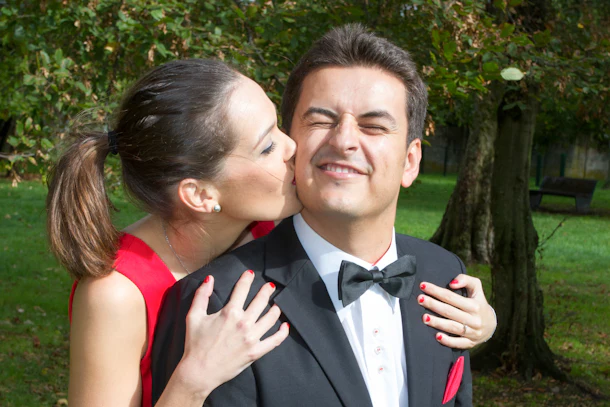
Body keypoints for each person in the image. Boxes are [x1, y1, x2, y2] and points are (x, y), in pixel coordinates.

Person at [152, 25, 491, 406]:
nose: (343, 141)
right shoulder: (220, 305)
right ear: (289, 145)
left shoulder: (445, 277)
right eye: (320, 120)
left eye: (373, 126)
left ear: (410, 162)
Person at [46, 59, 301, 407]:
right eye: (267, 146)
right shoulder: (116, 295)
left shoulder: (274, 229)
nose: (292, 146)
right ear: (200, 194)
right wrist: (194, 380)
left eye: (278, 126)